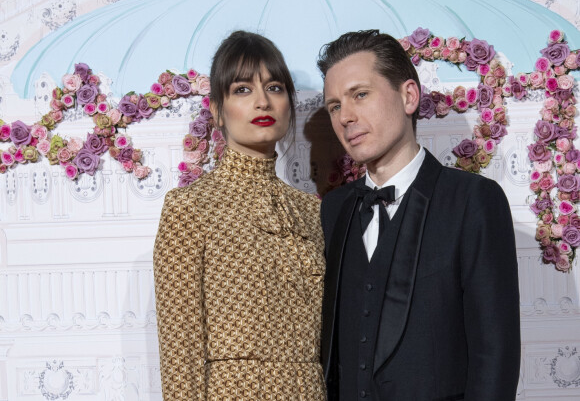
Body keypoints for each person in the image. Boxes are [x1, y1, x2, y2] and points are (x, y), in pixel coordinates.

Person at [317, 29, 520, 401]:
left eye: (360, 95)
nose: (346, 116)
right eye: (334, 106)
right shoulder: (334, 209)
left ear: (409, 95)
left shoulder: (473, 201)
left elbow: (496, 356)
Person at [153, 31, 326, 400]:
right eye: (243, 90)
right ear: (217, 109)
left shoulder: (312, 211)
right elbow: (180, 353)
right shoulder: (190, 208)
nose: (263, 101)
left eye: (275, 88)